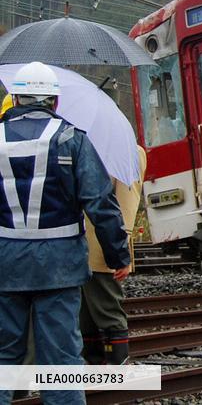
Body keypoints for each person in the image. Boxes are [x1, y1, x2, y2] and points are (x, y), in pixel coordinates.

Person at [0, 62, 130, 405]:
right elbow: (101, 205)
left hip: (5, 265)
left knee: (3, 358)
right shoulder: (72, 140)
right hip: (59, 267)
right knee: (60, 361)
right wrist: (119, 256)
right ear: (55, 102)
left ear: (15, 98)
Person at [79, 146, 146, 365]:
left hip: (105, 244)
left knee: (107, 310)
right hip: (80, 245)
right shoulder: (84, 148)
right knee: (85, 316)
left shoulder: (128, 151)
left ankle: (117, 370)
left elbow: (128, 200)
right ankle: (96, 367)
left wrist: (121, 245)